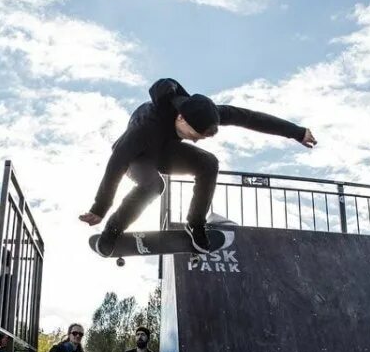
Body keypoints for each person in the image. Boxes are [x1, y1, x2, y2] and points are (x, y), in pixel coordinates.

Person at [80, 78, 316, 254]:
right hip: (136, 155)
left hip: (166, 150)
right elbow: (117, 164)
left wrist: (297, 132)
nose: (194, 140)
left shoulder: (204, 111)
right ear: (180, 118)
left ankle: (195, 224)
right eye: (194, 135)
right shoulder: (146, 126)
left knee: (208, 163)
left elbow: (250, 117)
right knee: (154, 185)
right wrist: (100, 207)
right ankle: (113, 229)